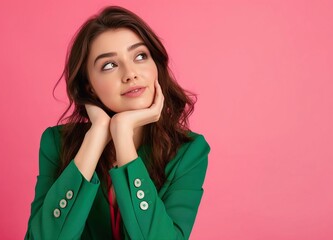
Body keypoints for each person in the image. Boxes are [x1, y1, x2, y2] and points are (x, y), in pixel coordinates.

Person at [25, 6, 210, 240]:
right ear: (89, 86)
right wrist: (96, 136)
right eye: (109, 65)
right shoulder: (56, 142)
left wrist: (122, 134)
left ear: (156, 66)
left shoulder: (190, 152)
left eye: (140, 56)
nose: (130, 73)